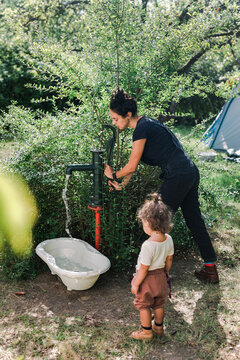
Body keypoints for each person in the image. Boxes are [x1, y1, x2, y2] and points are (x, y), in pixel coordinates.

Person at [104, 89, 219, 283]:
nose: (115, 123)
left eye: (116, 119)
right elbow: (134, 164)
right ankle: (210, 269)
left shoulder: (141, 128)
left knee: (154, 223)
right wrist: (122, 183)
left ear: (128, 115)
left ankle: (153, 277)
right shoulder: (146, 124)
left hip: (178, 175)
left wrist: (112, 174)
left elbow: (130, 165)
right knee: (194, 221)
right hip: (189, 171)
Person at [131, 193, 174, 340]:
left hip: (147, 279)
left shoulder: (148, 245)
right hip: (161, 277)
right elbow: (169, 259)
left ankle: (147, 332)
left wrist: (136, 283)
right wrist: (165, 273)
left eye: (143, 223)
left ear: (149, 223)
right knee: (159, 304)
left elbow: (143, 268)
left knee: (144, 305)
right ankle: (159, 327)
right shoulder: (168, 239)